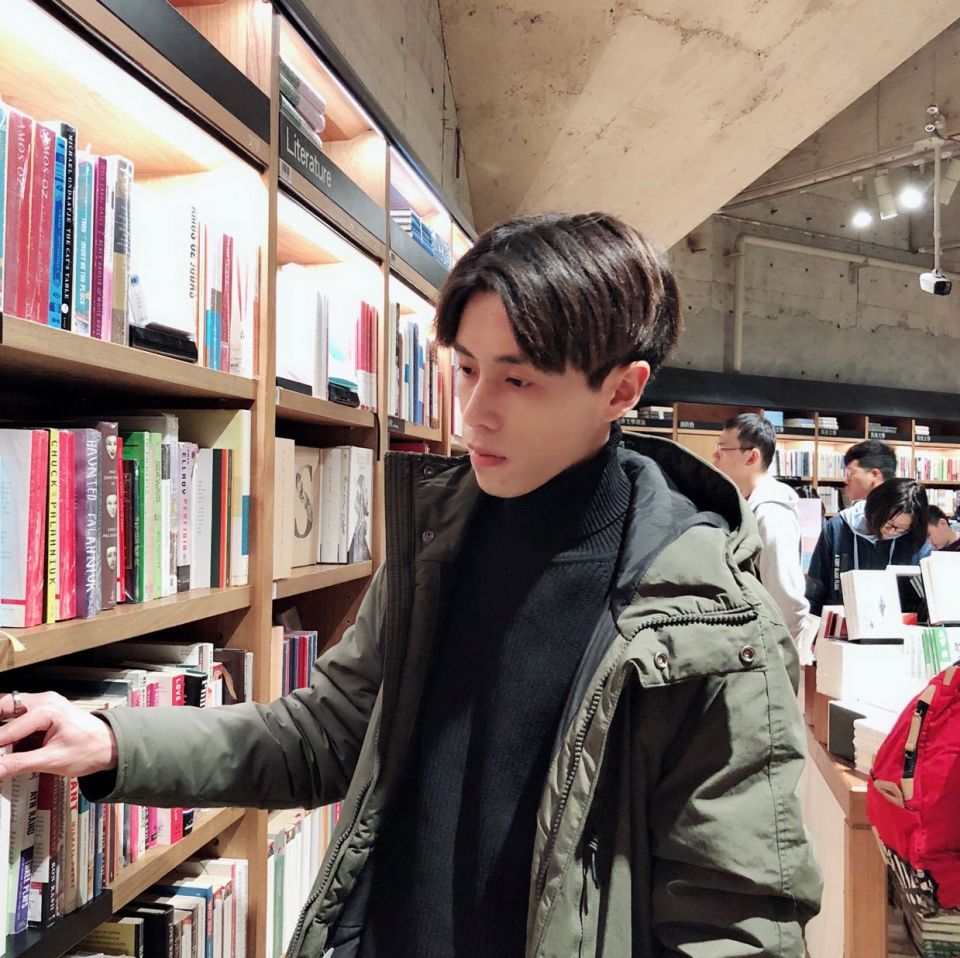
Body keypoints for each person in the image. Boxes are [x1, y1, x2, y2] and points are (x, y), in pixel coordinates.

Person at [0, 213, 821, 957]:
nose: (473, 413)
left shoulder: (709, 623)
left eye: (518, 380)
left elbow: (736, 922)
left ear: (623, 389)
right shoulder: (437, 542)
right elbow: (324, 735)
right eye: (465, 369)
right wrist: (115, 740)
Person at [712, 413, 810, 644]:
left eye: (723, 449)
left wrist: (782, 649)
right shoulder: (744, 503)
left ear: (752, 456)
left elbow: (787, 598)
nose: (714, 456)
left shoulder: (771, 514)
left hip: (764, 646)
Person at [807, 477, 931, 613]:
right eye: (889, 524)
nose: (890, 532)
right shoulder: (837, 529)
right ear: (875, 509)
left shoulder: (913, 540)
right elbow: (816, 588)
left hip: (898, 621)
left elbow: (929, 596)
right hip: (842, 619)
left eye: (901, 529)